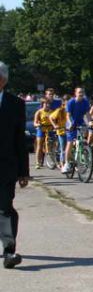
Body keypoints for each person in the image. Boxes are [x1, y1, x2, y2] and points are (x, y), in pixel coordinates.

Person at [0, 62, 30, 269]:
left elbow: (20, 141)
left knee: (5, 209)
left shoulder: (16, 104)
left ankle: (9, 251)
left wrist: (23, 172)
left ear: (3, 80)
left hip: (6, 167)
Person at [61, 87, 90, 174]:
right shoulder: (71, 102)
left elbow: (88, 114)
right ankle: (66, 163)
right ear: (75, 93)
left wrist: (90, 122)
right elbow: (68, 115)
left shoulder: (85, 101)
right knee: (69, 143)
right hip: (71, 124)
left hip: (80, 123)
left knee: (82, 141)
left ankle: (81, 159)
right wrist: (70, 124)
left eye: (82, 92)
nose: (81, 93)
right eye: (79, 92)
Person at [49, 94, 70, 170]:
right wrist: (55, 125)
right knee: (63, 149)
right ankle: (62, 164)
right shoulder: (59, 110)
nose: (68, 104)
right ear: (63, 103)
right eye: (67, 102)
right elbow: (51, 117)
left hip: (70, 131)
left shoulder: (71, 109)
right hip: (61, 131)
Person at [32, 97, 54, 169]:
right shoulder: (39, 112)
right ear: (42, 104)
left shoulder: (52, 111)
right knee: (39, 145)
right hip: (41, 129)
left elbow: (56, 121)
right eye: (46, 104)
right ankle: (38, 162)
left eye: (48, 104)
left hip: (50, 129)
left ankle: (53, 160)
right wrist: (38, 124)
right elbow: (34, 123)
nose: (47, 105)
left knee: (52, 145)